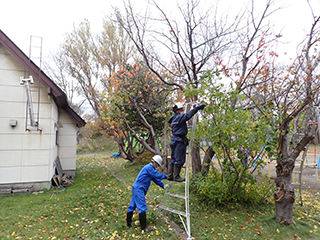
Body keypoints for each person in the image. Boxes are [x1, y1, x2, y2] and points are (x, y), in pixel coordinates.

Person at [126, 155, 167, 232]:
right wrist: (167, 177)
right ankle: (144, 228)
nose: (157, 166)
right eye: (157, 165)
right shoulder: (149, 168)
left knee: (132, 205)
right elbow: (157, 175)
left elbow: (156, 179)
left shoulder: (151, 170)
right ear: (154, 162)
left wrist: (164, 186)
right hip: (139, 189)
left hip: (137, 189)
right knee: (142, 207)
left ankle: (128, 223)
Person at [168, 102, 206, 182]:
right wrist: (197, 108)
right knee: (179, 159)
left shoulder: (173, 118)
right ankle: (176, 176)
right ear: (177, 110)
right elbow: (188, 115)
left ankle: (170, 175)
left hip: (174, 140)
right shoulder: (179, 118)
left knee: (174, 159)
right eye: (181, 109)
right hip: (179, 141)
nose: (182, 110)